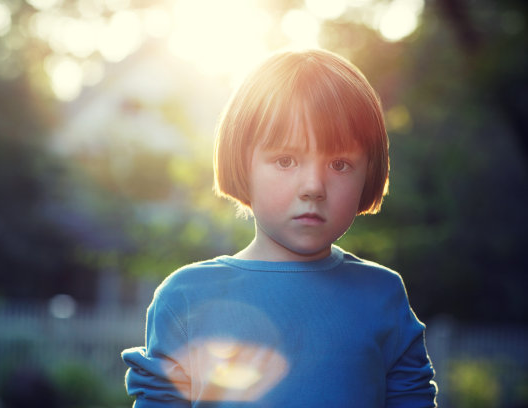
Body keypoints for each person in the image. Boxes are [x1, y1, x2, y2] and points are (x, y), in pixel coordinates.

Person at [121, 48, 437, 407]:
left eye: (340, 164)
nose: (314, 186)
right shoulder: (185, 299)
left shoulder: (383, 296)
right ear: (242, 164)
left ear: (370, 172)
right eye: (286, 160)